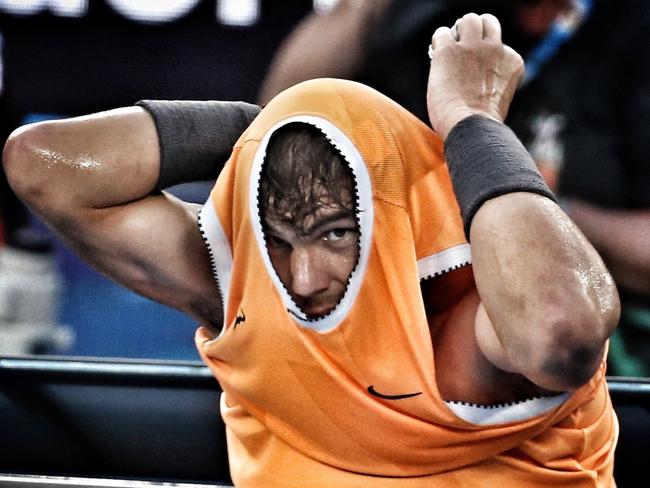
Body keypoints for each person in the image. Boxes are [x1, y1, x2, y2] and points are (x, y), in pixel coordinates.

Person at [3, 14, 619, 487]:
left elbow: (562, 334)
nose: (300, 278)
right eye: (279, 237)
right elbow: (41, 165)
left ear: (394, 217)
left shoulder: (466, 317)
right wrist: (272, 134)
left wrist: (471, 121)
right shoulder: (244, 285)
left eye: (333, 234)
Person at [259, 0, 650, 377]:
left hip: (601, 342)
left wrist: (519, 204)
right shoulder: (434, 15)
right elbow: (284, 113)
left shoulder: (632, 29)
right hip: (412, 328)